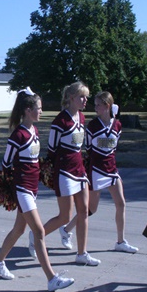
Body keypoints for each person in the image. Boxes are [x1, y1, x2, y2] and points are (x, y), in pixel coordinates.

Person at [0, 88, 75, 292]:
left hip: (32, 188)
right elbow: (6, 163)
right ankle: (51, 278)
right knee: (39, 231)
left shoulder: (34, 131)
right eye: (39, 108)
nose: (41, 111)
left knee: (19, 230)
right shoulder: (18, 135)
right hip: (22, 189)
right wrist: (13, 187)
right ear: (28, 110)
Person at [29, 81, 101, 266]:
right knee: (65, 216)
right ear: (71, 98)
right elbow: (52, 149)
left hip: (80, 170)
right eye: (81, 97)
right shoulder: (60, 121)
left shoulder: (82, 118)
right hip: (64, 172)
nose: (85, 100)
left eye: (86, 97)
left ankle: (82, 253)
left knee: (83, 211)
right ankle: (36, 235)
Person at [59, 92, 138, 253]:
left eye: (98, 105)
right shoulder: (93, 126)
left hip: (112, 169)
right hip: (96, 170)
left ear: (107, 106)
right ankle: (66, 230)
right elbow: (88, 148)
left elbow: (114, 148)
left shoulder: (117, 125)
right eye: (94, 105)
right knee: (90, 209)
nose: (95, 108)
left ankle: (120, 241)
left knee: (121, 203)